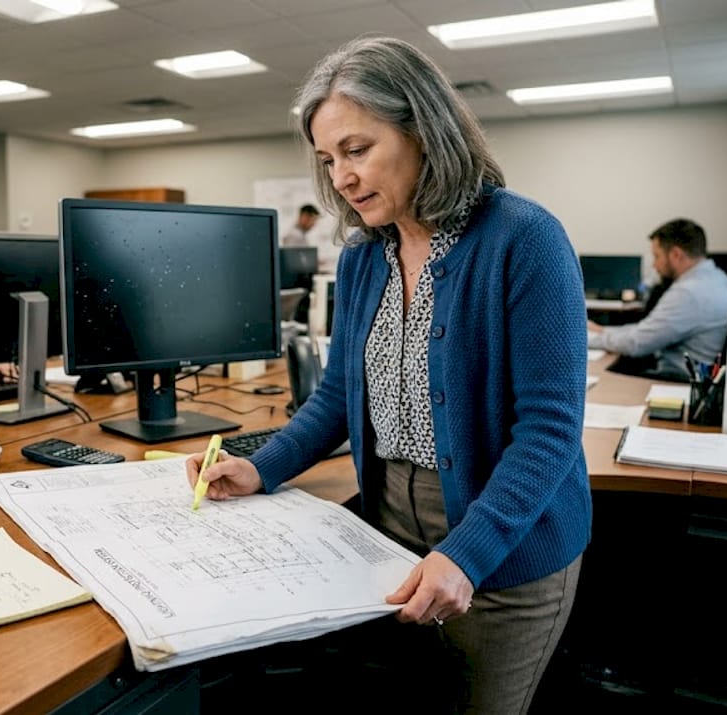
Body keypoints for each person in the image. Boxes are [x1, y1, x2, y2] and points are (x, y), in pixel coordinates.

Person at [186, 36, 590, 713]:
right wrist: (262, 465)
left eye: (356, 149)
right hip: (386, 542)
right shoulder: (362, 257)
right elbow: (341, 396)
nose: (340, 177)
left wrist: (467, 553)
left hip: (504, 551)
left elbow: (550, 431)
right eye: (327, 159)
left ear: (424, 129)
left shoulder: (524, 237)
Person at [588, 219, 727, 381]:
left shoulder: (688, 293)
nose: (655, 265)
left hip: (674, 379)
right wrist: (604, 331)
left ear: (676, 255)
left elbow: (638, 342)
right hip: (696, 380)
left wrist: (585, 339)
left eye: (657, 256)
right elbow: (648, 330)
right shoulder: (725, 282)